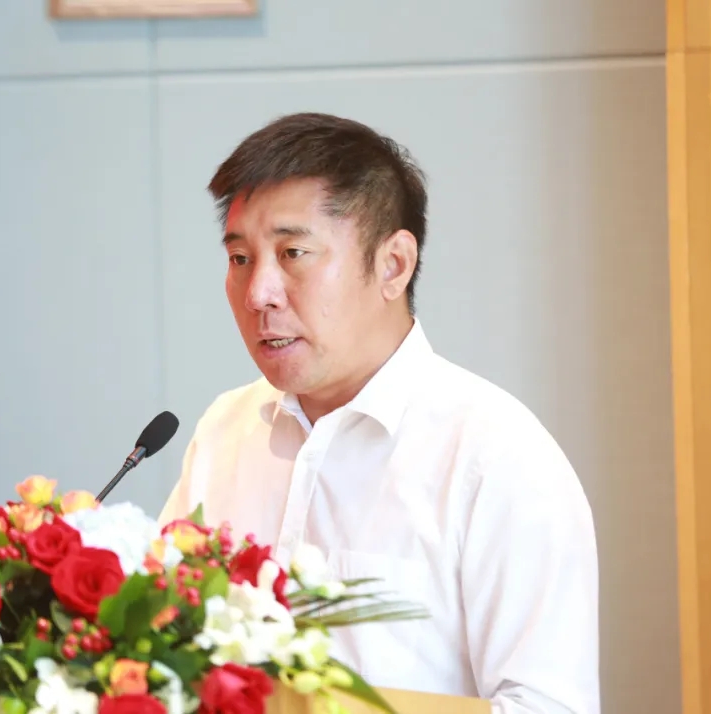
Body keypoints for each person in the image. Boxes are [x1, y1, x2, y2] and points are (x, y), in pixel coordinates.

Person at [157, 112, 599, 714]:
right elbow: (165, 645)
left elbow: (549, 706)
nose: (259, 292)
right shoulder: (225, 430)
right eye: (240, 259)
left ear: (393, 265)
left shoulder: (496, 457)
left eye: (293, 253)